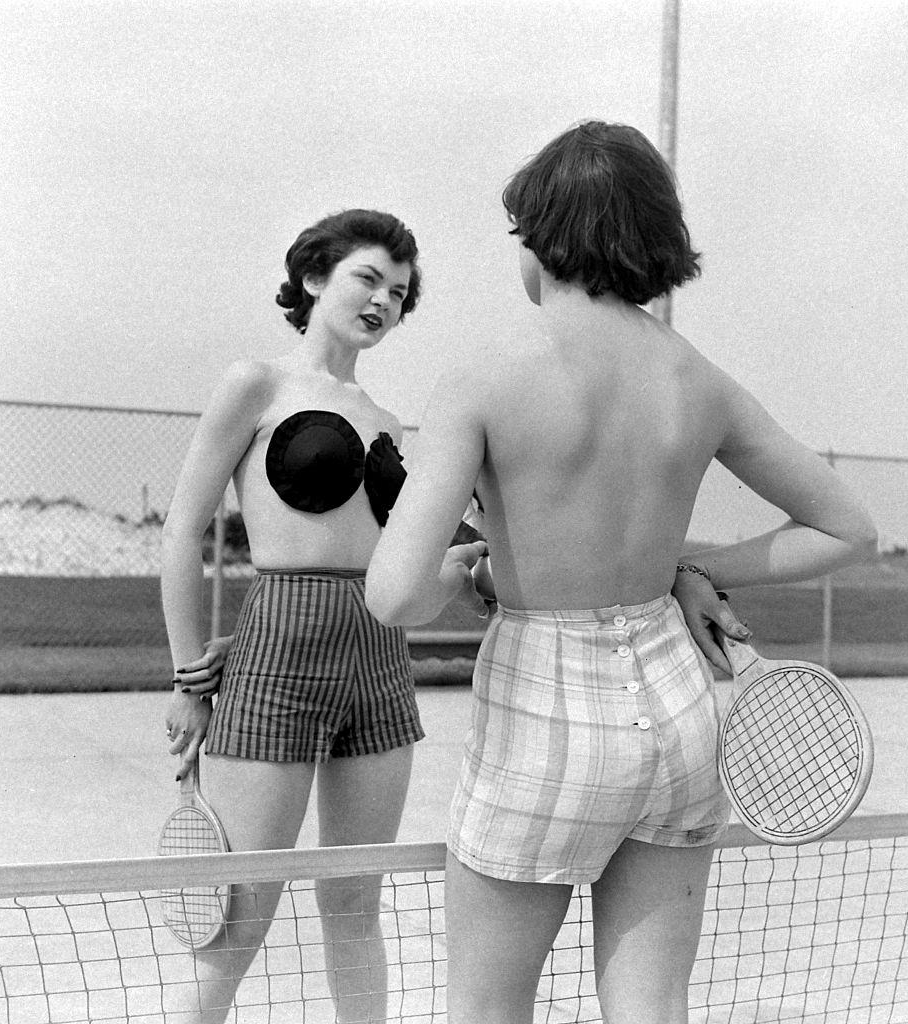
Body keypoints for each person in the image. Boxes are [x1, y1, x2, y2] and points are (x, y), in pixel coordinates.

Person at [364, 121, 877, 1024]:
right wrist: (682, 566)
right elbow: (845, 527)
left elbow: (397, 594)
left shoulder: (483, 375)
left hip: (542, 712)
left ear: (543, 238)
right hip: (679, 716)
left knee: (487, 1007)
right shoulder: (697, 379)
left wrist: (458, 569)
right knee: (650, 1007)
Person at [159, 208, 457, 1024]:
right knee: (235, 921)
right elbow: (183, 530)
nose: (382, 301)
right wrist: (189, 677)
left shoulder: (389, 424)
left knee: (355, 905)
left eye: (398, 291)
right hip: (277, 662)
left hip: (379, 666)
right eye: (367, 278)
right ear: (316, 277)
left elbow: (424, 559)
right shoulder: (254, 384)